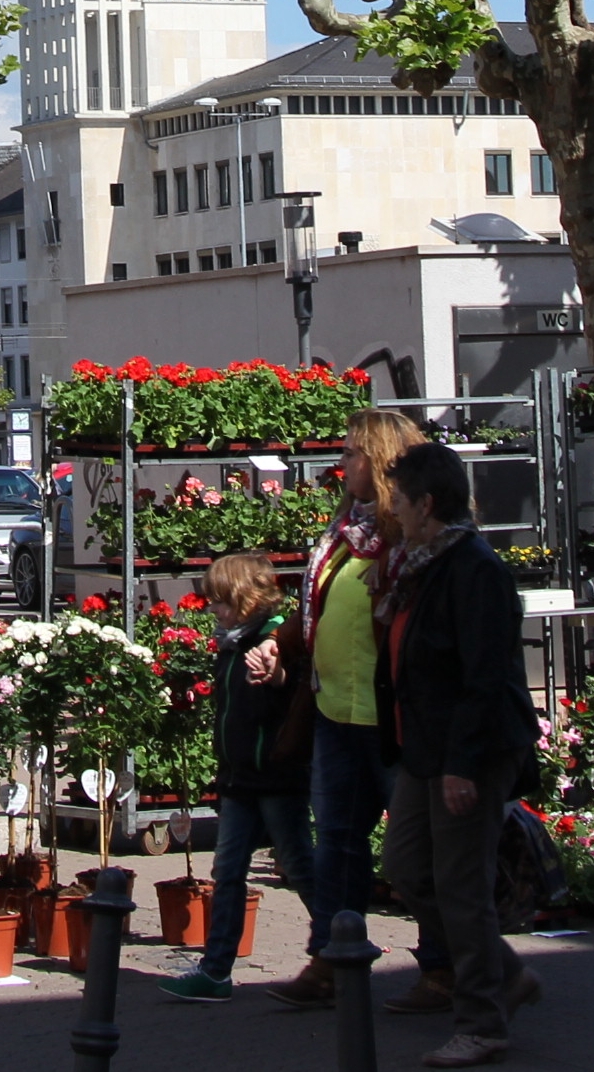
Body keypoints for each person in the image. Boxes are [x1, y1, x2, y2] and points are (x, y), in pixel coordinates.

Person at [257, 407, 449, 1010]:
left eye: (353, 454)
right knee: (337, 844)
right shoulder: (347, 532)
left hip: (391, 720)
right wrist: (278, 644)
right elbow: (320, 608)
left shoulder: (413, 539)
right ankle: (332, 958)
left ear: (385, 461)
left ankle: (444, 968)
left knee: (417, 854)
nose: (343, 464)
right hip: (335, 713)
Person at [375, 441, 543, 1067]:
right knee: (408, 865)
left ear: (426, 503)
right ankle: (503, 973)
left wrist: (462, 765)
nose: (392, 508)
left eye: (400, 499)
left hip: (466, 751)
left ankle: (483, 1020)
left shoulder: (474, 569)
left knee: (459, 884)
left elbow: (484, 676)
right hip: (425, 747)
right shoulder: (421, 564)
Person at [163, 553, 311, 1002]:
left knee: (299, 865)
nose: (214, 610)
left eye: (222, 602)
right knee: (226, 871)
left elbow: (288, 684)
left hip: (275, 776)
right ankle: (216, 970)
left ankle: (338, 948)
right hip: (239, 778)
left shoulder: (274, 639)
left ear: (247, 599)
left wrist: (276, 675)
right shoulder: (231, 644)